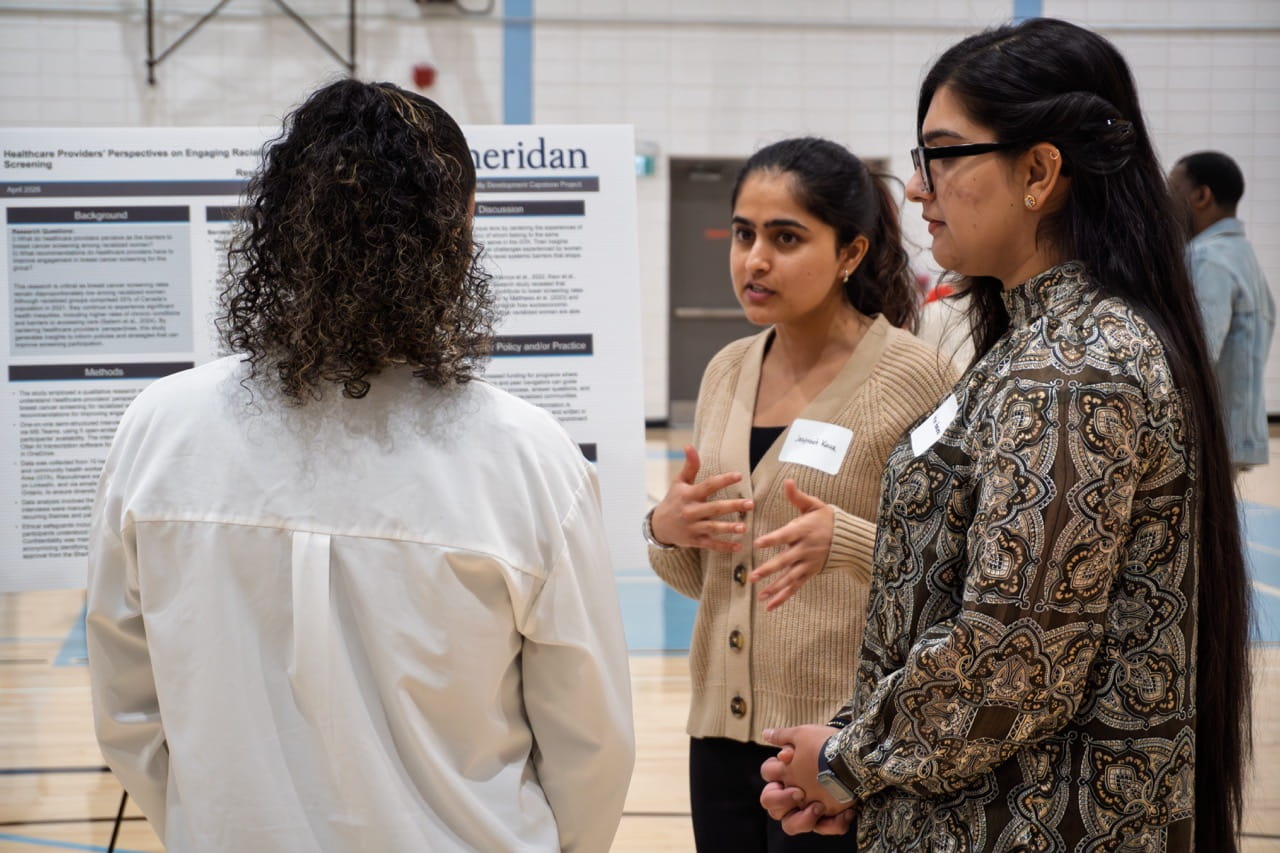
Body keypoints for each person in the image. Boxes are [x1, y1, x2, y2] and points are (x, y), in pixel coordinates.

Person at [86, 79, 634, 852]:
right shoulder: (527, 457)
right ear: (454, 240)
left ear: (281, 225)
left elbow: (128, 715)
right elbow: (591, 747)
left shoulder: (159, 429)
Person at [758, 18, 1251, 853]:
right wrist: (876, 776)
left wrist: (849, 757)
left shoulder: (1071, 367)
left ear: (1039, 172)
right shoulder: (1037, 344)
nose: (917, 190)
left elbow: (1015, 654)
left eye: (939, 155)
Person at [645, 137, 957, 852]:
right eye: (744, 234)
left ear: (850, 252)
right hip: (718, 738)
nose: (754, 260)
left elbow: (954, 572)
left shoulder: (917, 377)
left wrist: (847, 540)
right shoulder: (725, 372)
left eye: (786, 238)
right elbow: (705, 577)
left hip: (839, 743)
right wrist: (668, 530)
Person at [1168, 151, 1275, 471]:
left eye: (1173, 191)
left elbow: (1198, 351)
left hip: (1211, 438)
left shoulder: (1207, 258)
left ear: (1201, 196)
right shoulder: (1242, 256)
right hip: (1233, 435)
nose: (1166, 203)